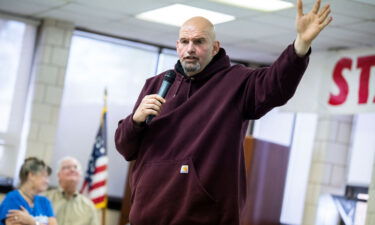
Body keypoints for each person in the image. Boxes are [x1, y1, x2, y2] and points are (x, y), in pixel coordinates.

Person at [115, 0, 332, 224]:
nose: (190, 49)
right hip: (146, 216)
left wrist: (300, 45)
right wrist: (135, 121)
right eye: (185, 41)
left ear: (215, 47)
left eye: (199, 42)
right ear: (177, 46)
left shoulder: (237, 82)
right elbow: (125, 148)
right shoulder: (157, 84)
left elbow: (276, 85)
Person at [0, 157, 57, 225]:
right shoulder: (13, 199)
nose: (47, 182)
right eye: (44, 176)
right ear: (31, 175)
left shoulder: (44, 201)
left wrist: (32, 222)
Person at [44, 157, 99, 225]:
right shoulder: (44, 198)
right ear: (58, 175)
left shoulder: (89, 206)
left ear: (80, 175)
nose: (72, 170)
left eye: (76, 167)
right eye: (67, 167)